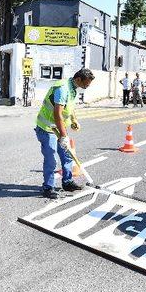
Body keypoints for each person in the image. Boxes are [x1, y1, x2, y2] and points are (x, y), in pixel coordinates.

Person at [35, 68, 95, 199]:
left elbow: (69, 107)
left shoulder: (73, 89)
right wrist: (63, 136)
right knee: (51, 158)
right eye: (86, 83)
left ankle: (67, 182)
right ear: (78, 79)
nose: (87, 86)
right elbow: (57, 113)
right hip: (47, 127)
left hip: (59, 127)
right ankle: (48, 187)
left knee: (67, 155)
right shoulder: (62, 88)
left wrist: (74, 120)